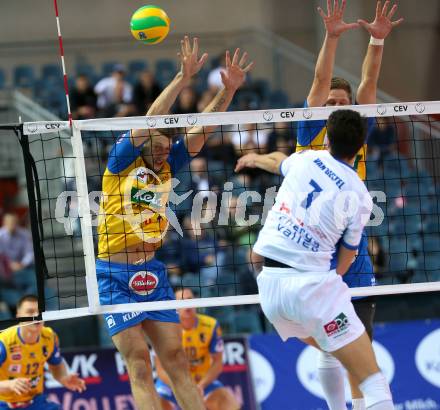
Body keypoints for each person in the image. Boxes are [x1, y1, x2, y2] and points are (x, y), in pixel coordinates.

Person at [237, 2, 403, 409]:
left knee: (358, 338)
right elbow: (319, 78)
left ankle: (363, 403)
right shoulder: (312, 130)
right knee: (331, 345)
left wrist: (377, 39)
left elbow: (369, 79)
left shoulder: (356, 126)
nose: (333, 105)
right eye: (328, 101)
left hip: (347, 237)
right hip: (308, 251)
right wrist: (330, 36)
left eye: (339, 102)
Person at [96, 36, 253, 410]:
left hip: (151, 270)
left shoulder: (168, 165)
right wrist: (183, 79)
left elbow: (203, 130)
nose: (166, 147)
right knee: (138, 365)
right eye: (160, 142)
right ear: (147, 141)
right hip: (114, 276)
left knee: (177, 362)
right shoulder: (122, 161)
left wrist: (227, 92)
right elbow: (151, 121)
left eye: (170, 144)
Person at [252, 109, 394, 409]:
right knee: (374, 382)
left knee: (330, 348)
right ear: (361, 146)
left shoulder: (305, 160)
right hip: (309, 289)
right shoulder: (359, 194)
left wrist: (253, 159)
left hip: (270, 291)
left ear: (326, 138)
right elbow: (349, 253)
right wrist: (334, 281)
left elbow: (279, 161)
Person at [154, 288, 239, 410]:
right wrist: (182, 387)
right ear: (174, 306)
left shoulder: (211, 325)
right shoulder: (165, 329)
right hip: (173, 382)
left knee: (228, 402)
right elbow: (160, 370)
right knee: (155, 402)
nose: (187, 304)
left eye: (189, 300)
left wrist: (201, 385)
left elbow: (218, 363)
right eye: (181, 301)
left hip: (201, 381)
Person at [0, 295, 85, 409]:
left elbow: (56, 366)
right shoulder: (4, 342)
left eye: (39, 311)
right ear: (18, 316)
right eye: (30, 312)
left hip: (35, 402)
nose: (36, 315)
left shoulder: (49, 336)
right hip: (4, 404)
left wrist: (63, 378)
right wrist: (9, 385)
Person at [0, 214, 35, 293]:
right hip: (4, 267)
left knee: (34, 276)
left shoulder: (25, 234)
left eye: (14, 222)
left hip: (22, 265)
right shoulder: (0, 235)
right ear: (4, 223)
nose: (12, 225)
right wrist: (10, 264)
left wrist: (22, 264)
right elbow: (1, 256)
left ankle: (28, 297)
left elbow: (29, 253)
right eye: (10, 222)